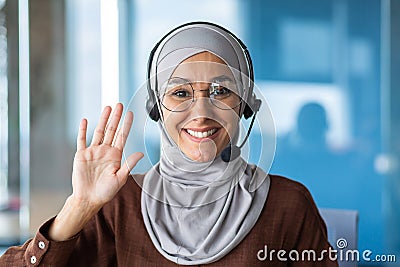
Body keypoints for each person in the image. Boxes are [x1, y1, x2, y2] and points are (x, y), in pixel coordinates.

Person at [0, 22, 338, 266]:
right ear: (156, 108)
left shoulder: (288, 204)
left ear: (245, 106)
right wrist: (79, 207)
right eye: (179, 93)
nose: (202, 112)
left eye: (221, 91)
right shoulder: (118, 204)